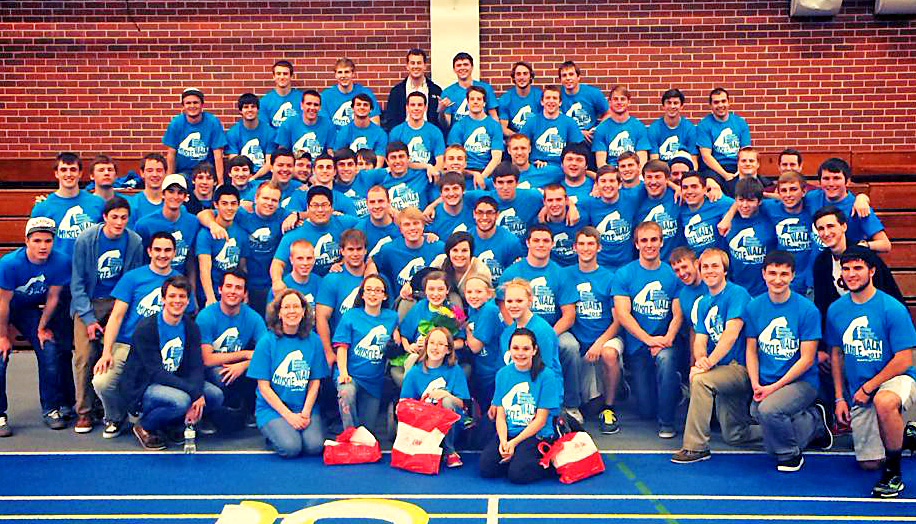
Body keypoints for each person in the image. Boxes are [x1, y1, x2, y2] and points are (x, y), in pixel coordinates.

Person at [826, 247, 916, 497]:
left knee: (883, 401)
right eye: (846, 269)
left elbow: (903, 360)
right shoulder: (836, 310)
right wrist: (839, 398)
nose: (851, 274)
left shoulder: (891, 308)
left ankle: (893, 474)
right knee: (869, 464)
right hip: (861, 390)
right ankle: (908, 435)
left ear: (872, 271)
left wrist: (869, 387)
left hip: (896, 378)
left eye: (858, 268)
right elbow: (836, 354)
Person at [745, 251, 832, 472]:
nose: (777, 279)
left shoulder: (807, 310)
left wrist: (774, 388)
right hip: (767, 382)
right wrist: (755, 383)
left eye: (784, 274)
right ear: (763, 274)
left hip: (801, 382)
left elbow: (807, 359)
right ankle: (813, 422)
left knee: (769, 413)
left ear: (793, 275)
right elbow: (751, 351)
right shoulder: (754, 307)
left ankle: (790, 454)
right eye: (772, 273)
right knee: (756, 411)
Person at [671, 248, 759, 464]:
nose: (709, 271)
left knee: (701, 381)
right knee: (735, 435)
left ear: (725, 270)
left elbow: (730, 335)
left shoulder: (737, 294)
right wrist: (701, 359)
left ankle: (695, 447)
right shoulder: (702, 302)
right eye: (705, 267)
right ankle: (802, 428)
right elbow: (700, 339)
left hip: (741, 368)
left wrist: (707, 364)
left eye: (715, 266)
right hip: (720, 369)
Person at [119, 276, 223, 450]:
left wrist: (197, 392)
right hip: (146, 386)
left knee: (215, 395)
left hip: (177, 380)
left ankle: (174, 424)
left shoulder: (190, 327)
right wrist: (194, 394)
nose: (177, 301)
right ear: (163, 299)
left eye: (182, 296)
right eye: (172, 296)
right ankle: (144, 426)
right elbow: (156, 373)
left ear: (188, 301)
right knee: (181, 401)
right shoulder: (146, 328)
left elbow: (196, 366)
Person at [92, 232, 179, 438]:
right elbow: (116, 317)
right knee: (102, 382)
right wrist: (106, 352)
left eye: (167, 250)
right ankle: (115, 416)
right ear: (149, 251)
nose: (162, 254)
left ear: (174, 253)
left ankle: (151, 420)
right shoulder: (132, 278)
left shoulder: (178, 281)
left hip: (160, 349)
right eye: (157, 249)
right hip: (127, 345)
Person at [69, 197, 144, 434]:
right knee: (85, 355)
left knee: (116, 352)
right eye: (114, 217)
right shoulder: (86, 240)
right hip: (89, 303)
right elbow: (77, 284)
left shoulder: (134, 241)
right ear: (104, 218)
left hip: (118, 302)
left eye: (124, 218)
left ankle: (111, 406)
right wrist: (88, 319)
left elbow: (133, 282)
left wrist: (122, 313)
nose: (119, 222)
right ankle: (84, 411)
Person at [498, 226, 580, 421]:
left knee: (570, 346)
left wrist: (543, 336)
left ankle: (570, 405)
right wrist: (517, 333)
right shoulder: (512, 272)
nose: (541, 244)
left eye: (545, 241)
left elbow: (569, 315)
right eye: (536, 240)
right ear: (527, 243)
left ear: (552, 244)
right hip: (518, 328)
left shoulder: (560, 273)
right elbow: (503, 306)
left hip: (552, 329)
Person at [0, 218, 71, 434]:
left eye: (48, 241)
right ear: (27, 241)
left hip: (27, 310)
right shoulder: (10, 263)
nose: (43, 246)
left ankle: (51, 408)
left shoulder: (60, 261)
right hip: (4, 308)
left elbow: (53, 297)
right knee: (0, 356)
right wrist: (3, 336)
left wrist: (41, 328)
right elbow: (3, 303)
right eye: (37, 241)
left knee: (48, 349)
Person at [613, 221, 683, 437]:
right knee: (646, 411)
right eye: (644, 240)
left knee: (666, 360)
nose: (649, 245)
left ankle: (667, 423)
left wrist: (667, 339)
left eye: (654, 240)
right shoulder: (625, 274)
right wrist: (647, 340)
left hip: (665, 343)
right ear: (636, 244)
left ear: (661, 242)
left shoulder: (672, 275)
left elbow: (678, 314)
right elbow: (623, 314)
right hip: (638, 345)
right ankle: (669, 387)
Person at [248, 288, 329, 457]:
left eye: (296, 306)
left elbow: (315, 381)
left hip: (303, 406)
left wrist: (306, 412)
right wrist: (289, 417)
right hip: (273, 409)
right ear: (279, 313)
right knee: (291, 448)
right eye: (286, 307)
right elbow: (264, 388)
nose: (292, 311)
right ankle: (272, 434)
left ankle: (292, 429)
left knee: (314, 447)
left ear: (304, 311)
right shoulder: (266, 342)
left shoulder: (314, 340)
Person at [479, 327, 559, 484]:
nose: (520, 353)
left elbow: (541, 420)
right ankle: (516, 459)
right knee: (486, 468)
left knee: (517, 475)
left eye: (526, 349)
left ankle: (548, 464)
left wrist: (513, 443)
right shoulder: (502, 374)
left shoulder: (547, 376)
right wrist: (504, 441)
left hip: (535, 434)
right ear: (509, 350)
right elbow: (500, 416)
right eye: (515, 348)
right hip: (510, 432)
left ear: (534, 350)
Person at [567, 227, 623, 434]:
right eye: (581, 244)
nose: (586, 248)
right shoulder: (565, 274)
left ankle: (610, 408)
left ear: (599, 247)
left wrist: (600, 343)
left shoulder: (610, 278)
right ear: (574, 248)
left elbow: (618, 320)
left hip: (606, 337)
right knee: (589, 407)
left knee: (609, 353)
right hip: (578, 340)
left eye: (591, 244)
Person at [197, 269, 268, 425]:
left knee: (257, 369)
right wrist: (244, 355)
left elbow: (268, 352)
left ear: (244, 293)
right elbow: (207, 360)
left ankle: (250, 411)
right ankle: (209, 416)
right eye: (228, 286)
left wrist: (243, 365)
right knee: (221, 375)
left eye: (238, 288)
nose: (233, 291)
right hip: (208, 371)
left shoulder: (253, 317)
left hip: (238, 367)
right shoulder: (206, 316)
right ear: (220, 290)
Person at [334, 274, 401, 433]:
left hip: (373, 381)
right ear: (362, 294)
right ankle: (349, 436)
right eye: (368, 290)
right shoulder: (350, 316)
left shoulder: (392, 317)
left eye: (378, 290)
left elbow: (396, 337)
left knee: (367, 430)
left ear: (385, 296)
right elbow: (341, 347)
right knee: (346, 392)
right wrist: (343, 373)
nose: (373, 294)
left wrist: (396, 336)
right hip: (351, 375)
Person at [401, 326, 470, 468]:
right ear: (426, 346)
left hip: (449, 426)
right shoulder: (414, 372)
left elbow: (463, 404)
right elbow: (404, 403)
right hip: (424, 425)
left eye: (440, 344)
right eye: (432, 343)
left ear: (448, 350)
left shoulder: (455, 370)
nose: (435, 347)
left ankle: (449, 451)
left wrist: (447, 395)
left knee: (446, 401)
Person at [31, 152, 105, 257]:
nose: (69, 174)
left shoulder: (98, 203)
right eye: (63, 170)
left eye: (73, 169)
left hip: (89, 264)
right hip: (57, 265)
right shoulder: (42, 208)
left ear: (80, 173)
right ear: (56, 173)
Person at [807, 158, 890, 252]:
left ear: (847, 181)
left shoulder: (858, 207)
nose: (831, 183)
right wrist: (863, 197)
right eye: (826, 178)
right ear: (820, 182)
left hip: (846, 259)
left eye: (836, 178)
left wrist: (859, 246)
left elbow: (885, 244)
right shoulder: (811, 198)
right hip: (818, 260)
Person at [315, 229, 371, 366]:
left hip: (369, 353)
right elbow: (321, 318)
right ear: (342, 251)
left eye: (359, 249)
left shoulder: (376, 279)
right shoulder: (332, 279)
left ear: (365, 251)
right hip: (341, 351)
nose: (355, 254)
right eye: (350, 249)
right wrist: (328, 352)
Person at [372, 207, 445, 309]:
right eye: (407, 224)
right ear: (400, 229)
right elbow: (372, 264)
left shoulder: (438, 248)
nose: (412, 228)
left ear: (423, 226)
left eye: (416, 223)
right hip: (402, 304)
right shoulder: (388, 250)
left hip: (434, 304)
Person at [135, 174, 200, 278]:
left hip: (179, 281)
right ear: (162, 194)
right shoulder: (144, 224)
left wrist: (191, 287)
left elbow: (190, 259)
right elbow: (139, 261)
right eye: (171, 191)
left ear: (185, 197)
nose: (175, 196)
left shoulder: (193, 222)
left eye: (180, 193)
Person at [196, 185, 248, 306]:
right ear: (216, 205)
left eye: (233, 204)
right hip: (211, 294)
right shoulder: (205, 234)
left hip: (233, 295)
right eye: (224, 203)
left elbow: (242, 268)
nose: (229, 208)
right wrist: (210, 297)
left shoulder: (241, 233)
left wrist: (245, 294)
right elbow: (204, 269)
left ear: (238, 205)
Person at [579, 166, 639, 271]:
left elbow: (654, 182)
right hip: (600, 266)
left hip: (626, 265)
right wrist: (571, 206)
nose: (607, 185)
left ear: (619, 184)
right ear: (597, 185)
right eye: (603, 181)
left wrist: (671, 184)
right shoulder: (589, 203)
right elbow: (566, 202)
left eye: (612, 181)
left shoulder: (632, 198)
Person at [162, 88, 226, 180]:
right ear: (183, 106)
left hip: (206, 171)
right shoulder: (176, 123)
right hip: (183, 172)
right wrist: (169, 179)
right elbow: (171, 154)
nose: (192, 106)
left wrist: (220, 182)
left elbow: (218, 154)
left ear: (202, 105)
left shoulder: (213, 122)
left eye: (195, 102)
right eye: (188, 103)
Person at [447, 86, 505, 188]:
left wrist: (482, 177)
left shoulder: (494, 125)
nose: (475, 102)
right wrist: (473, 174)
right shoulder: (459, 126)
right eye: (472, 99)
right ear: (467, 103)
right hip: (464, 173)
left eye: (479, 99)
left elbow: (497, 158)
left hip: (487, 173)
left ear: (484, 103)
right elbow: (453, 160)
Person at [726, 178, 775, 297]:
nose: (744, 205)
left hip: (764, 292)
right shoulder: (727, 219)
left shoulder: (770, 218)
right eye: (741, 200)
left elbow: (792, 200)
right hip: (736, 291)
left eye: (750, 200)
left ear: (760, 201)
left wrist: (766, 194)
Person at [696, 88, 751, 192]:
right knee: (715, 189)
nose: (720, 105)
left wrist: (740, 171)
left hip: (737, 166)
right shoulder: (704, 125)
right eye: (716, 102)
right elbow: (706, 156)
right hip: (714, 169)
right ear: (711, 105)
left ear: (729, 102)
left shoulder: (740, 123)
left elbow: (747, 152)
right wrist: (725, 175)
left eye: (723, 101)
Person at [463, 276, 504, 415]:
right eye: (469, 292)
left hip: (491, 369)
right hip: (481, 367)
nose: (473, 296)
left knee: (489, 412)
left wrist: (466, 330)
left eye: (479, 292)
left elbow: (475, 347)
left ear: (489, 294)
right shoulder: (474, 309)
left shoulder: (488, 310)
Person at [519, 85, 583, 167]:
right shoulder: (531, 122)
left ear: (560, 102)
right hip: (537, 167)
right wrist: (531, 163)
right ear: (542, 102)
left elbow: (578, 149)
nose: (551, 101)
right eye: (548, 98)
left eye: (555, 98)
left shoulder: (569, 122)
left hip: (562, 168)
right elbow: (520, 145)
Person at [382, 48, 443, 132]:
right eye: (412, 63)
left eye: (419, 63)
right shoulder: (396, 91)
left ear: (425, 66)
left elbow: (439, 121)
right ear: (407, 66)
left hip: (428, 135)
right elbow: (391, 119)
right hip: (403, 135)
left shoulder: (435, 91)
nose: (416, 66)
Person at [389, 92, 446, 179]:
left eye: (419, 105)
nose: (416, 108)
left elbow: (440, 162)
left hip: (427, 178)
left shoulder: (435, 131)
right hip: (403, 178)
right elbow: (395, 162)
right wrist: (426, 166)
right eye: (413, 105)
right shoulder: (396, 132)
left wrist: (434, 172)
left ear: (425, 108)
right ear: (407, 108)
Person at [593, 85, 650, 168]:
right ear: (609, 102)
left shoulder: (639, 127)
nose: (619, 102)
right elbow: (601, 164)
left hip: (633, 171)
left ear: (629, 102)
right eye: (615, 99)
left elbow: (642, 163)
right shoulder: (601, 129)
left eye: (622, 99)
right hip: (611, 173)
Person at [469, 196, 524, 281]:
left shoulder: (511, 242)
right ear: (474, 214)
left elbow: (514, 276)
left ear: (497, 215)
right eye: (480, 212)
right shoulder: (465, 239)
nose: (484, 217)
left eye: (489, 213)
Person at [433, 231, 492, 308]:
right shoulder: (440, 262)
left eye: (464, 251)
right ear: (448, 252)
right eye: (455, 250)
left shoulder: (480, 270)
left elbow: (486, 300)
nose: (459, 255)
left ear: (471, 252)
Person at [680, 171, 734, 255]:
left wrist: (727, 218)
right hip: (695, 261)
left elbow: (739, 202)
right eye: (685, 187)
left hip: (718, 260)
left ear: (705, 189)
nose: (689, 191)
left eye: (694, 187)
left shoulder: (716, 201)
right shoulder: (681, 209)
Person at [636, 160, 680, 262]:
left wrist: (712, 184)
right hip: (647, 264)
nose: (653, 182)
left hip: (675, 265)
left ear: (667, 179)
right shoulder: (636, 199)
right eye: (649, 177)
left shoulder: (678, 197)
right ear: (643, 179)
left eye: (658, 177)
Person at [439, 52, 499, 127]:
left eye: (466, 64)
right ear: (454, 69)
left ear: (472, 67)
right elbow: (446, 124)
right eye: (459, 65)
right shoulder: (448, 92)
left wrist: (497, 131)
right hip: (458, 133)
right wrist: (441, 111)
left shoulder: (485, 88)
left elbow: (493, 116)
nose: (462, 68)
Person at [320, 58, 381, 129]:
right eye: (340, 72)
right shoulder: (326, 96)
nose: (343, 76)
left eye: (346, 72)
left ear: (353, 74)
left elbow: (375, 123)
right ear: (335, 75)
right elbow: (323, 125)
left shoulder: (365, 94)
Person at [225, 92, 275, 179]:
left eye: (253, 106)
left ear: (258, 109)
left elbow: (269, 163)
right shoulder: (232, 133)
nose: (250, 110)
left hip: (264, 178)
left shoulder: (270, 132)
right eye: (246, 107)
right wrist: (245, 178)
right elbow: (234, 163)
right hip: (241, 177)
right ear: (240, 111)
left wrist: (253, 178)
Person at [274, 89, 336, 159]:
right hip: (296, 164)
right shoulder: (288, 123)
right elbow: (282, 152)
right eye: (308, 104)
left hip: (319, 165)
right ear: (301, 105)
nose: (312, 108)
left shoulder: (328, 125)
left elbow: (330, 151)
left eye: (316, 105)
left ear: (320, 108)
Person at [558, 61, 609, 143]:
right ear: (560, 80)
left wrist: (596, 129)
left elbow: (608, 114)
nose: (568, 78)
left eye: (571, 74)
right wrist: (578, 132)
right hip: (568, 138)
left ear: (578, 77)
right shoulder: (557, 96)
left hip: (590, 138)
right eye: (564, 75)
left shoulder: (593, 93)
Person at [648, 88, 697, 167]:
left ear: (681, 106)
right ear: (663, 106)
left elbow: (693, 160)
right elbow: (654, 161)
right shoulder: (654, 129)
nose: (672, 106)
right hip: (662, 171)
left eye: (675, 103)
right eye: (669, 103)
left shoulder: (690, 129)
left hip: (683, 170)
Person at [269, 240, 322, 311]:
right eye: (300, 259)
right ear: (291, 260)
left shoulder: (320, 283)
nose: (305, 263)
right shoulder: (281, 287)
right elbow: (272, 316)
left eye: (309, 258)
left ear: (314, 259)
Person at [332, 93, 387, 161]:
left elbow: (379, 162)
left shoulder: (380, 133)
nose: (362, 107)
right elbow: (339, 159)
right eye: (358, 104)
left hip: (371, 167)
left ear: (371, 110)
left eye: (365, 105)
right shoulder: (344, 131)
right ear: (352, 108)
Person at [498, 61, 542, 136]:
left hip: (536, 138)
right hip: (514, 139)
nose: (522, 77)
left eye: (525, 74)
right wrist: (519, 139)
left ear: (531, 77)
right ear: (514, 77)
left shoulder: (540, 96)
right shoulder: (505, 99)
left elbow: (546, 122)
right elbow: (503, 129)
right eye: (518, 74)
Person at [542, 185, 581, 267]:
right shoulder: (539, 223)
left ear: (566, 200)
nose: (554, 204)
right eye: (550, 200)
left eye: (558, 199)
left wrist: (572, 205)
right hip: (552, 270)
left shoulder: (582, 217)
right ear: (544, 202)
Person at [427, 172, 475, 240]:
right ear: (440, 193)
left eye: (455, 188)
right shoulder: (432, 217)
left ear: (463, 190)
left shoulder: (472, 204)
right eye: (446, 189)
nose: (451, 193)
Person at [259, 60, 302, 129]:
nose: (282, 77)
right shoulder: (264, 101)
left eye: (285, 74)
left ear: (291, 76)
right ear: (273, 76)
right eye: (278, 74)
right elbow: (265, 130)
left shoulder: (301, 99)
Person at [127, 153, 166, 226]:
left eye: (159, 170)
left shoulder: (173, 203)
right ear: (142, 173)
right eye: (150, 170)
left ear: (165, 173)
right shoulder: (132, 205)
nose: (155, 174)